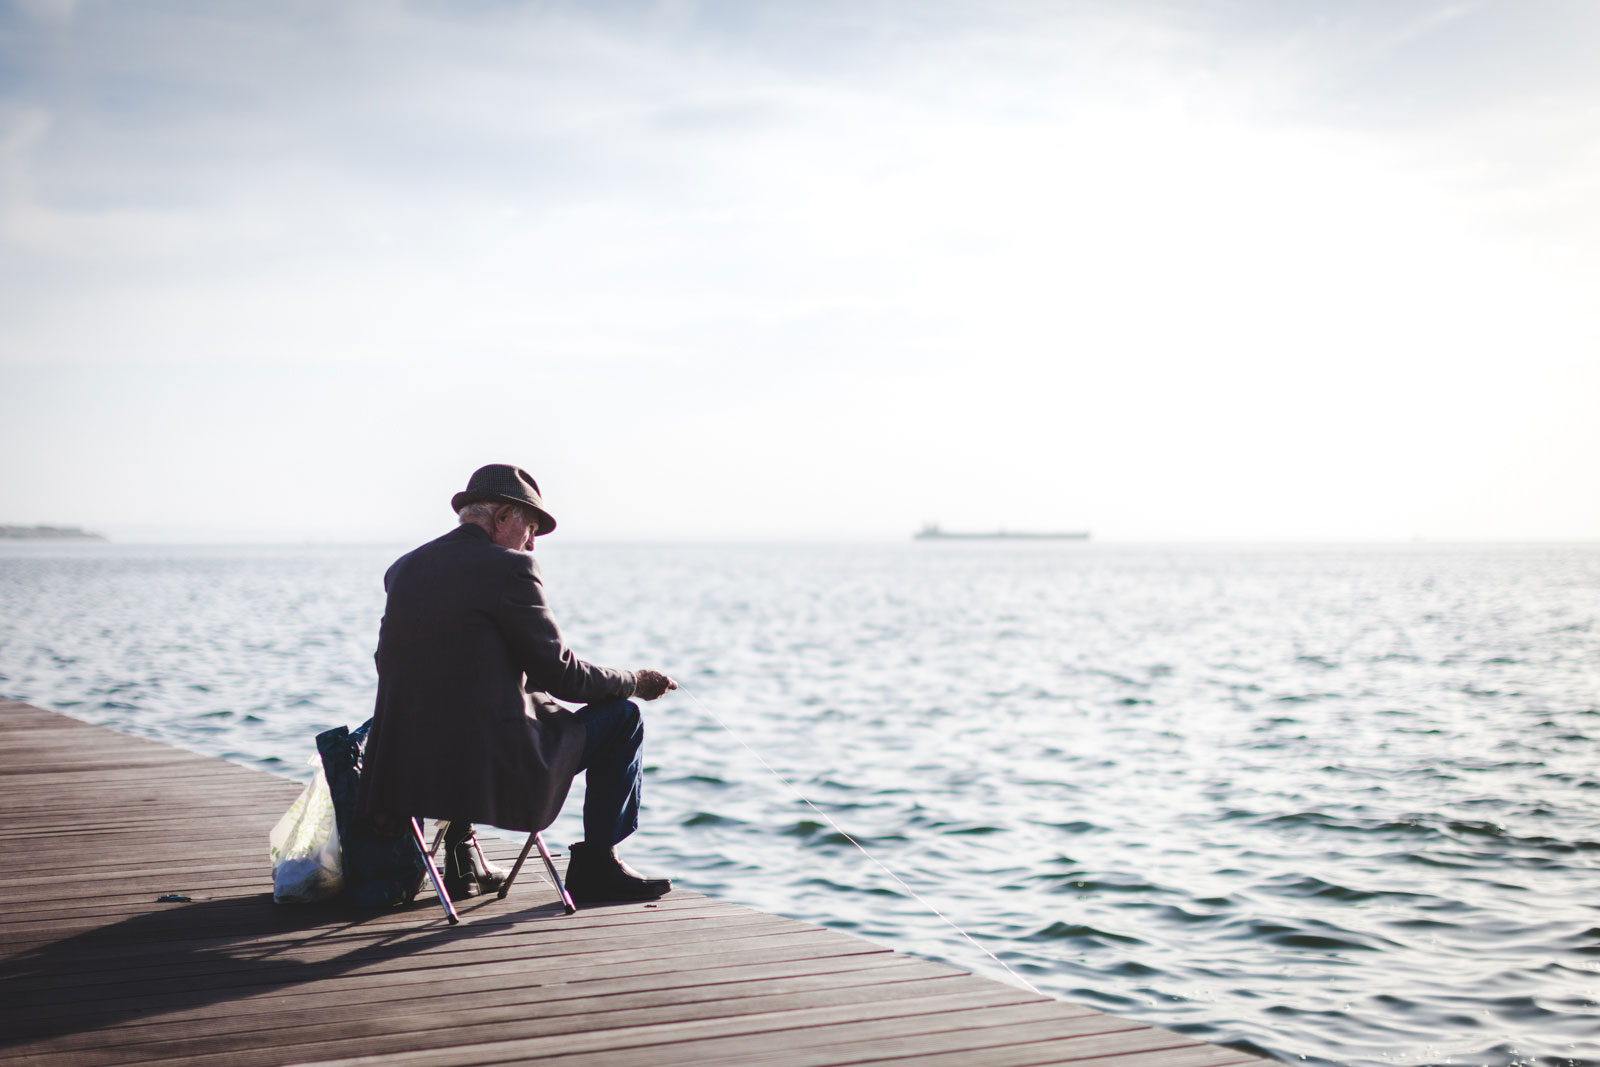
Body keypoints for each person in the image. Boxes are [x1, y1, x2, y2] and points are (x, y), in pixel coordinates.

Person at [357, 463, 677, 904]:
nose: (531, 543)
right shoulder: (510, 568)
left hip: (404, 768)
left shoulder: (404, 568)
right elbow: (563, 676)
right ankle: (597, 865)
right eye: (530, 528)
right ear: (504, 516)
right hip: (489, 768)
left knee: (458, 713)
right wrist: (634, 681)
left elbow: (393, 663)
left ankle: (461, 856)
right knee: (623, 717)